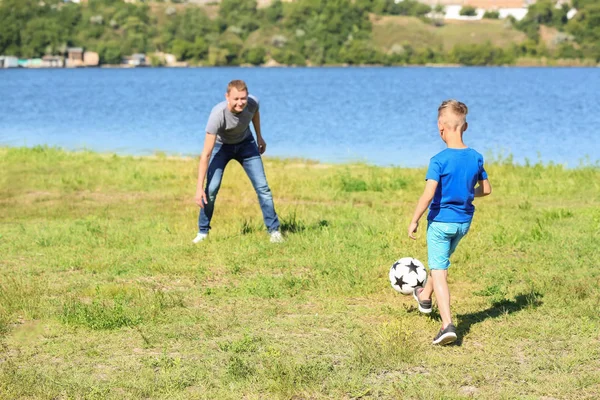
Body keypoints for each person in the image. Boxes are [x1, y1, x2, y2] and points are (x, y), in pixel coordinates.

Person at [408, 99, 492, 345]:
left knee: (440, 272)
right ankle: (424, 296)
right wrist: (467, 193)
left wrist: (414, 220)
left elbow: (429, 194)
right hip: (463, 223)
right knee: (439, 263)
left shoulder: (439, 160)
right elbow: (485, 189)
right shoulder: (475, 157)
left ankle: (447, 325)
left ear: (440, 127)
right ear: (465, 127)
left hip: (440, 224)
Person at [193, 79, 283, 244]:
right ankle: (202, 232)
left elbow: (254, 113)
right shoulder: (217, 115)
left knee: (263, 188)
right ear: (227, 97)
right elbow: (206, 154)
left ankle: (274, 231)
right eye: (236, 99)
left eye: (243, 98)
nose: (240, 103)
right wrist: (199, 188)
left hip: (246, 145)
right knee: (211, 189)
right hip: (222, 147)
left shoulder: (253, 102)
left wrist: (259, 136)